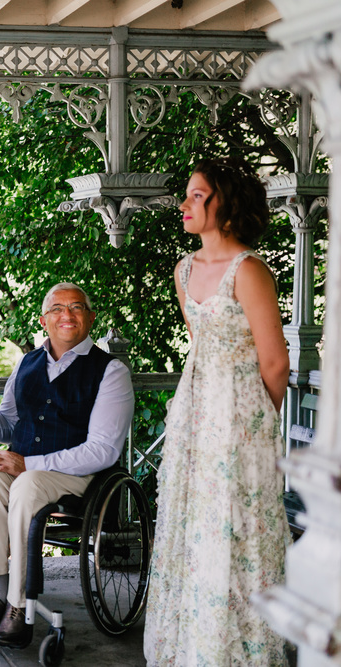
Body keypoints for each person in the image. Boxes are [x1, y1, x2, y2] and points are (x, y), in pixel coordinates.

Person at [144, 157, 291, 666]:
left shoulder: (249, 271)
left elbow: (275, 362)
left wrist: (253, 426)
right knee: (193, 523)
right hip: (194, 410)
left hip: (242, 418)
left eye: (196, 195)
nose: (183, 204)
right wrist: (204, 410)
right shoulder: (183, 269)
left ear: (224, 203)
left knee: (238, 528)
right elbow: (199, 343)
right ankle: (191, 647)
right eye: (186, 195)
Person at [0, 283, 134, 647]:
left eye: (77, 307)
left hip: (76, 475)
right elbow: (8, 424)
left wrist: (29, 464)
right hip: (29, 469)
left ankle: (20, 603)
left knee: (26, 484)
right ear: (43, 320)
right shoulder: (27, 363)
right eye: (57, 308)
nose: (67, 315)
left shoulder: (110, 371)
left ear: (91, 318)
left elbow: (103, 450)